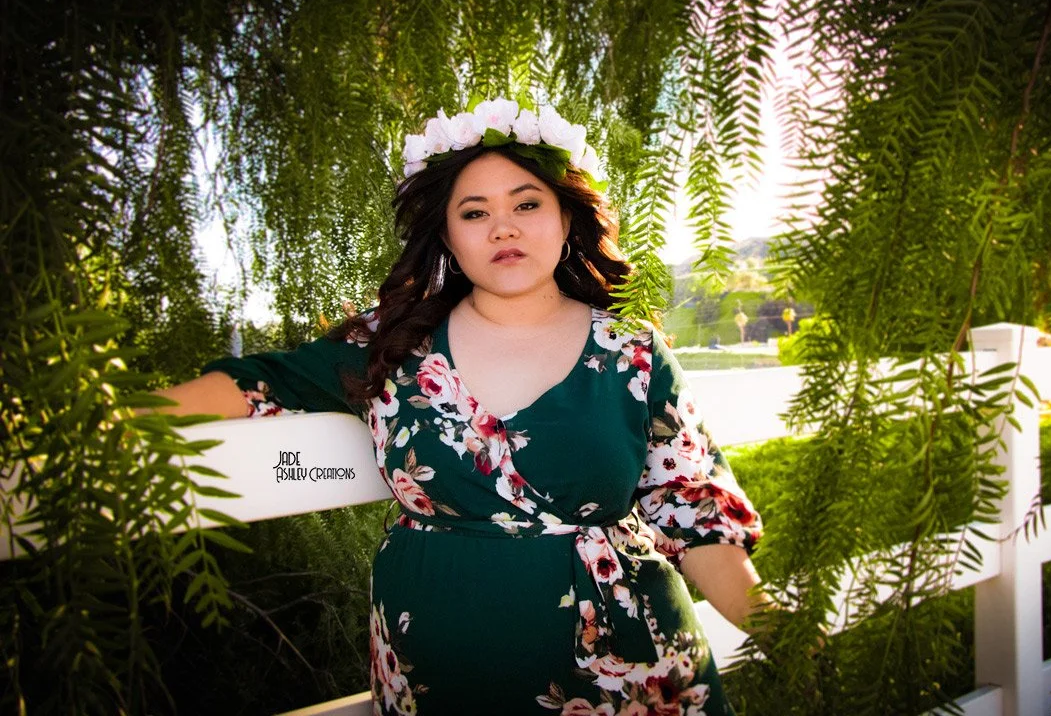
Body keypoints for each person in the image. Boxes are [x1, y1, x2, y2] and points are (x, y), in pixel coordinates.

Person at [156, 98, 765, 715]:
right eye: (475, 213)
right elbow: (255, 383)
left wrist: (782, 631)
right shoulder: (391, 348)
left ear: (566, 218)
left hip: (627, 666)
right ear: (447, 235)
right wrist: (103, 418)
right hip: (443, 671)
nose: (504, 228)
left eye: (527, 204)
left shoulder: (632, 352)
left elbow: (692, 509)